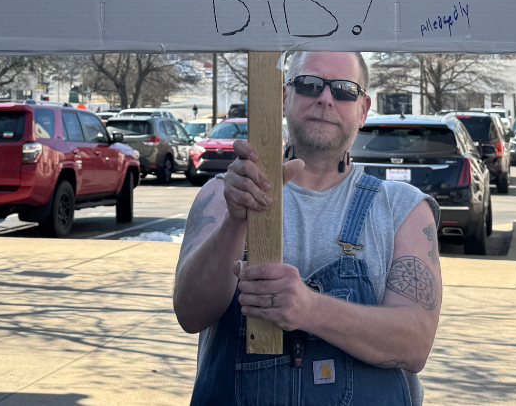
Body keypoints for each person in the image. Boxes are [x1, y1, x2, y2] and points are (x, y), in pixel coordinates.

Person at [173, 50, 441, 406]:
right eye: (309, 85)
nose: (326, 99)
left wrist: (309, 309)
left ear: (363, 109)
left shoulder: (404, 209)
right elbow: (190, 314)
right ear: (284, 97)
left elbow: (414, 344)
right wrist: (235, 222)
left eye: (344, 89)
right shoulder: (222, 196)